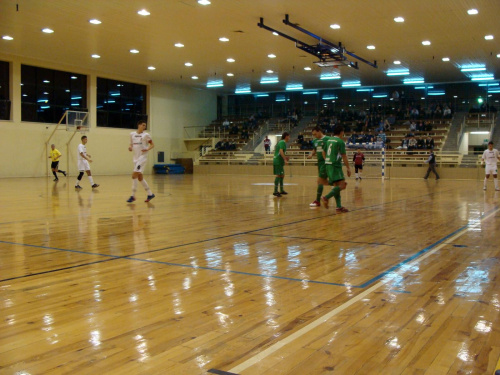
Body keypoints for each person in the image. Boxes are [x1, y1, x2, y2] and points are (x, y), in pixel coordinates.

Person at [321, 125, 351, 213]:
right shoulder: (340, 142)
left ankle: (339, 207)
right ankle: (325, 197)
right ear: (341, 132)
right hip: (335, 165)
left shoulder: (329, 140)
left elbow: (323, 152)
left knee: (336, 186)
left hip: (328, 165)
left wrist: (327, 160)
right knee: (342, 185)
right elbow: (344, 156)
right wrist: (348, 168)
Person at [127, 120, 155, 202]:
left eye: (145, 125)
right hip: (135, 158)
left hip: (142, 158)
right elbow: (131, 144)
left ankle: (133, 196)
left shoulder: (146, 135)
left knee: (134, 175)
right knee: (139, 177)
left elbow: (152, 145)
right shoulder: (132, 134)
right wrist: (130, 147)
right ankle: (150, 194)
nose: (144, 127)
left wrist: (147, 148)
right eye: (143, 125)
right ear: (139, 125)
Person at [307, 126, 329, 207]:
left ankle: (318, 200)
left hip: (325, 162)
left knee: (320, 181)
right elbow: (315, 150)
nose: (314, 136)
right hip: (319, 163)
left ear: (319, 131)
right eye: (313, 135)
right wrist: (311, 154)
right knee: (322, 181)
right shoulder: (315, 140)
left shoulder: (327, 139)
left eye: (315, 134)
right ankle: (338, 184)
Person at [272, 132, 290, 197]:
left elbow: (280, 152)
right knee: (279, 175)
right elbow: (281, 151)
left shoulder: (281, 142)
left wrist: (285, 157)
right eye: (289, 136)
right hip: (278, 161)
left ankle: (281, 190)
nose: (289, 138)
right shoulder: (282, 142)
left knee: (282, 175)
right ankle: (275, 191)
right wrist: (285, 159)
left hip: (278, 160)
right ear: (286, 136)